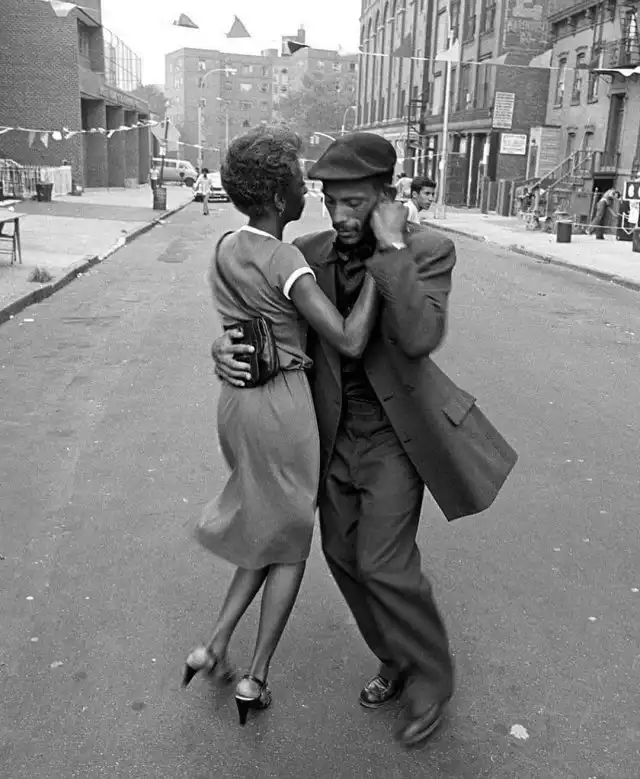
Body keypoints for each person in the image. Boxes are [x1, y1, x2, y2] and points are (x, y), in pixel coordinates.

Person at [211, 132, 518, 746]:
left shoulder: (429, 250)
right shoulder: (306, 252)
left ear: (386, 196)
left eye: (354, 203)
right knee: (343, 557)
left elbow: (420, 336)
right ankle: (395, 655)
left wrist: (392, 249)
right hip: (325, 435)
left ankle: (431, 680)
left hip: (393, 436)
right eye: (330, 201)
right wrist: (223, 349)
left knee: (385, 562)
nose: (340, 216)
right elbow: (267, 326)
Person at [183, 126, 380, 728]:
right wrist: (382, 269)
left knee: (265, 525)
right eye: (297, 180)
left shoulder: (226, 246)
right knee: (290, 543)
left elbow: (242, 321)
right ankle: (256, 675)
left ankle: (213, 645)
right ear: (276, 197)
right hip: (282, 407)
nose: (306, 189)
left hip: (236, 403)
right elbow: (347, 339)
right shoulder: (285, 258)